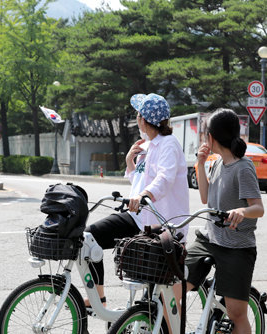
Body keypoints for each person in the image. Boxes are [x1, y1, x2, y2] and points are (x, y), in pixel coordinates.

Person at [84, 93, 189, 307]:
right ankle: (99, 298)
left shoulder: (168, 144)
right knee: (89, 237)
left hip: (161, 223)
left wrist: (144, 195)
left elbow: (164, 178)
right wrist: (129, 162)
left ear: (143, 119)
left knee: (153, 297)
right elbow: (140, 182)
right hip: (139, 218)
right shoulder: (147, 145)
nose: (137, 118)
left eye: (138, 113)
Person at [186, 108, 264, 334]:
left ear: (211, 136)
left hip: (236, 247)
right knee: (175, 286)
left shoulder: (243, 167)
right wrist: (200, 164)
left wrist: (242, 211)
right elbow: (205, 197)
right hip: (209, 239)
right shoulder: (217, 163)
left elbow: (258, 208)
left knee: (236, 313)